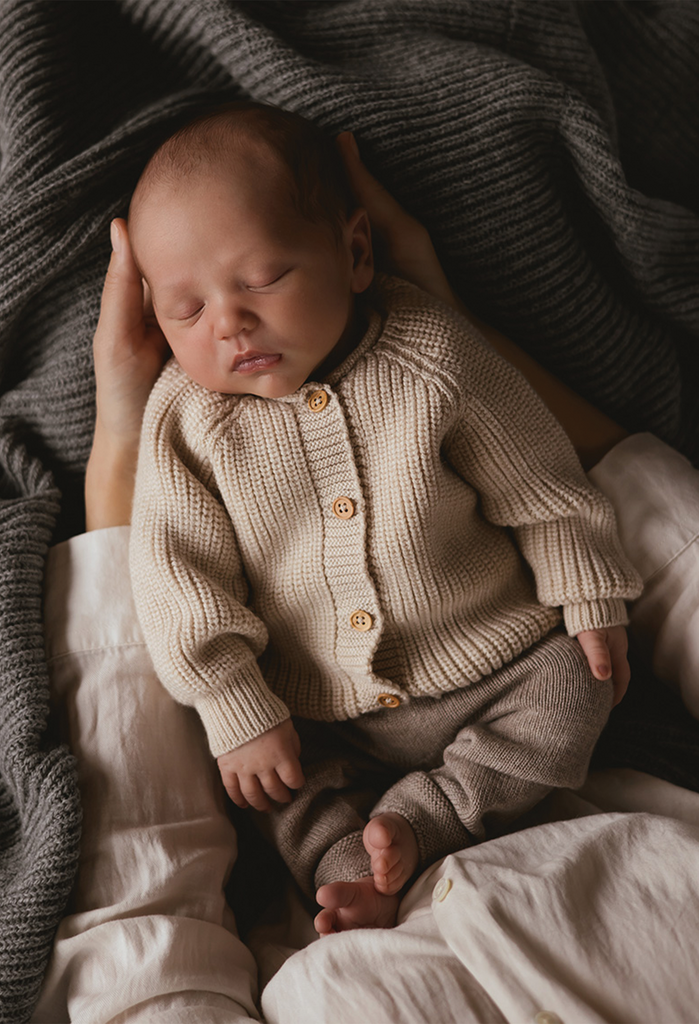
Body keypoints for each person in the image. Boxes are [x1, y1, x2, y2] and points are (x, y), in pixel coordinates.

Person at [122, 101, 641, 934]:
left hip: (489, 665)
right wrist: (235, 706)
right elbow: (176, 574)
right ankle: (352, 868)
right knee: (274, 790)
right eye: (186, 310)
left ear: (354, 252)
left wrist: (586, 589)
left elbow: (538, 481)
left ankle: (431, 815)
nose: (229, 321)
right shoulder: (188, 422)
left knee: (582, 684)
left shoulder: (430, 353)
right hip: (318, 706)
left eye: (261, 279)